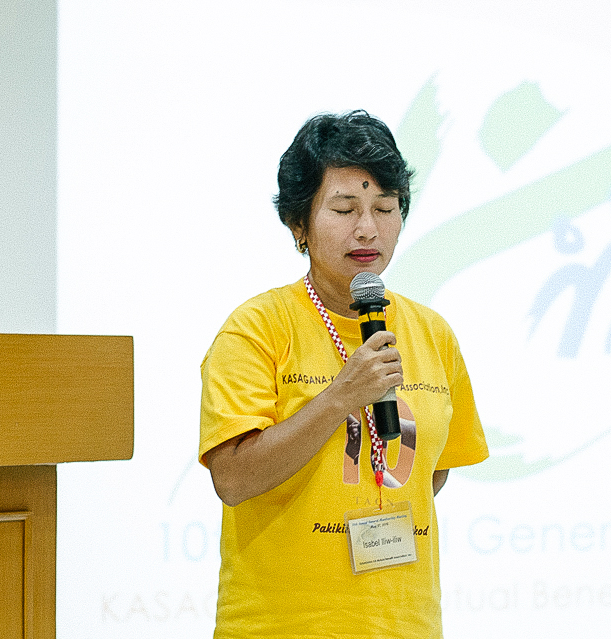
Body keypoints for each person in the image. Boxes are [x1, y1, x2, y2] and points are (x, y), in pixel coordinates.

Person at [199, 110, 488, 638]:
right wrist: (340, 397)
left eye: (385, 207)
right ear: (299, 224)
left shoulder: (432, 332)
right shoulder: (257, 328)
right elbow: (234, 480)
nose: (368, 228)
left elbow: (434, 472)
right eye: (343, 209)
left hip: (403, 625)